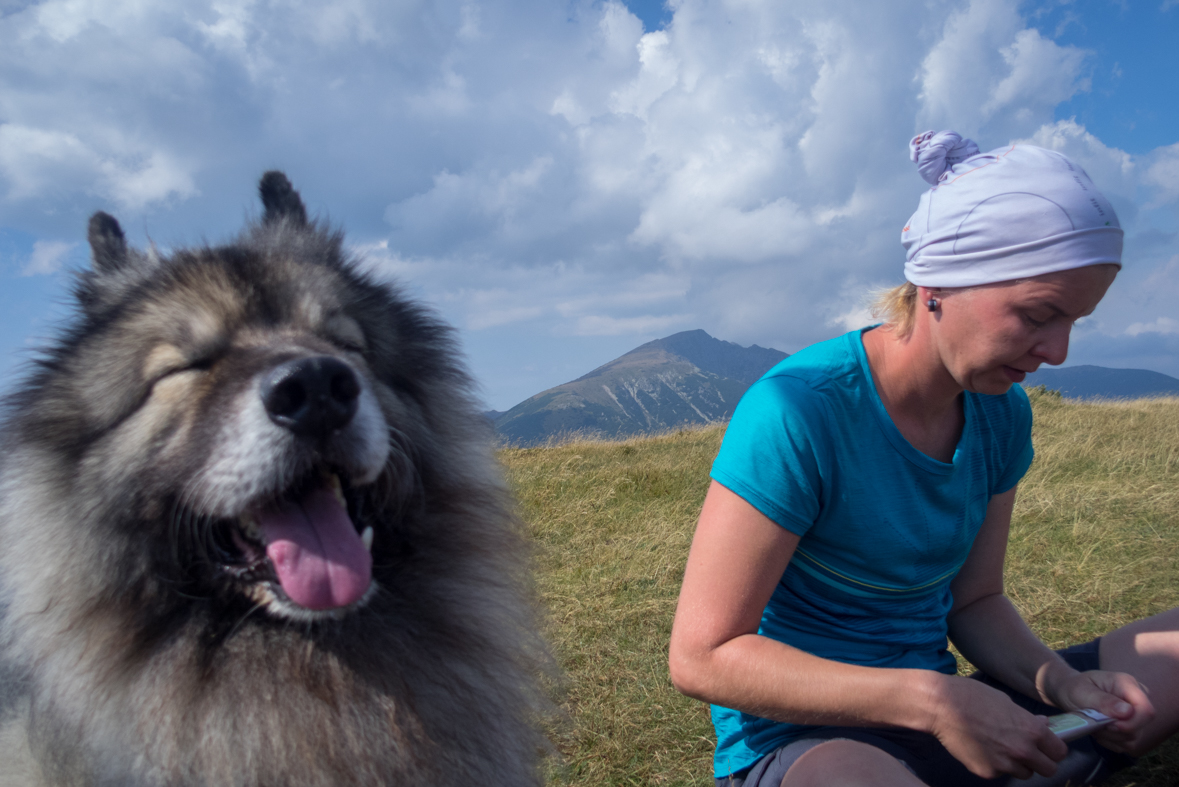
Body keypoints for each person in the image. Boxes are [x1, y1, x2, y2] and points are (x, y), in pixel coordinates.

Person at [668, 131, 1179, 787]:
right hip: (808, 740)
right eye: (1037, 314)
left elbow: (975, 599)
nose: (1056, 351)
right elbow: (702, 656)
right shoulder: (797, 410)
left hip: (954, 715)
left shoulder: (1000, 410)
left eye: (1073, 321)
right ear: (938, 279)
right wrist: (933, 702)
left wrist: (1066, 685)